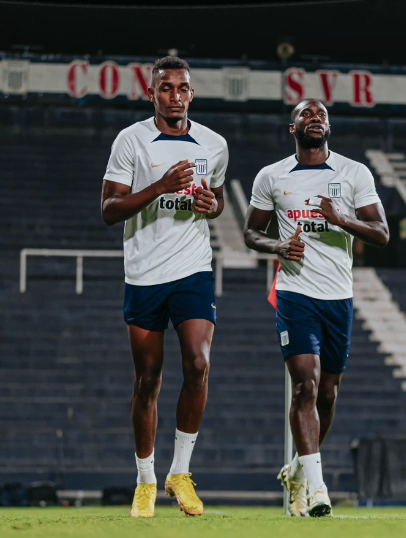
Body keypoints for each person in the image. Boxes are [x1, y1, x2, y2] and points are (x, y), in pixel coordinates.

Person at [244, 99, 389, 518]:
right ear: (293, 128)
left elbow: (381, 233)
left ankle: (297, 471)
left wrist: (342, 219)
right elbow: (252, 232)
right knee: (305, 387)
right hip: (295, 292)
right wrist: (276, 244)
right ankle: (318, 489)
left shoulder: (353, 173)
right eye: (306, 115)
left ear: (328, 127)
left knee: (328, 393)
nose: (315, 119)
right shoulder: (272, 176)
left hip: (338, 297)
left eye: (321, 115)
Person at [101, 56, 229, 518]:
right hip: (144, 272)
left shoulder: (214, 144)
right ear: (151, 94)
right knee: (147, 379)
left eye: (183, 88)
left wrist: (211, 204)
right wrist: (158, 187)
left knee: (198, 362)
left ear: (192, 94)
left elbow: (215, 202)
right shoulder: (131, 140)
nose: (175, 95)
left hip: (192, 267)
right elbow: (109, 209)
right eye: (167, 88)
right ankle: (144, 480)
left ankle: (180, 472)